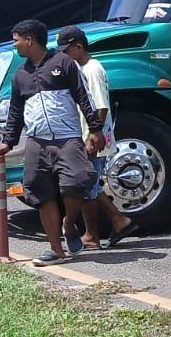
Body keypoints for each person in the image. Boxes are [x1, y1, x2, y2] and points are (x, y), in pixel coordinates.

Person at [0, 19, 103, 266]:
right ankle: (56, 250)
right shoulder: (21, 74)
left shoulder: (63, 63)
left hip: (67, 139)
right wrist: (8, 142)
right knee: (40, 193)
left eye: (17, 40)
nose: (15, 45)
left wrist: (95, 129)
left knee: (77, 180)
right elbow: (15, 111)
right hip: (36, 142)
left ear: (29, 40)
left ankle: (69, 224)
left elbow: (83, 96)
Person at [56, 26, 137, 250]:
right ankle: (118, 221)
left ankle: (93, 235)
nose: (64, 55)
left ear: (79, 47)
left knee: (87, 187)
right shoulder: (82, 68)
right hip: (87, 135)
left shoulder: (91, 70)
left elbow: (100, 107)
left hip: (94, 137)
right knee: (88, 185)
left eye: (67, 50)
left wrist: (94, 135)